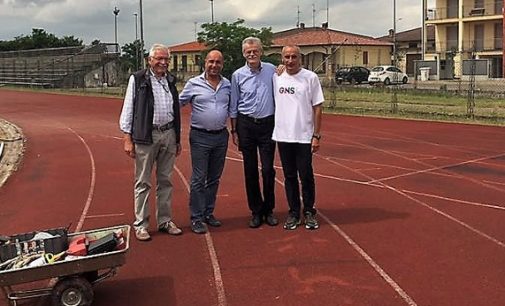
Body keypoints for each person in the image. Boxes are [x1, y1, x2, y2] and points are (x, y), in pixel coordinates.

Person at [119, 43, 183, 241]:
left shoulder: (170, 80)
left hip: (169, 133)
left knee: (166, 180)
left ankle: (164, 220)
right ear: (150, 60)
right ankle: (141, 224)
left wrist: (177, 138)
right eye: (159, 59)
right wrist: (127, 137)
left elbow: (175, 109)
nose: (163, 63)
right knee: (143, 181)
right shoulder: (138, 79)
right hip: (147, 136)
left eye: (166, 59)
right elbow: (129, 107)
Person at [179, 50, 232, 234]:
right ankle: (196, 217)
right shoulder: (193, 84)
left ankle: (209, 213)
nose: (214, 65)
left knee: (214, 178)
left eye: (218, 62)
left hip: (220, 136)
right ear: (205, 63)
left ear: (222, 64)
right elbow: (178, 103)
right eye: (211, 62)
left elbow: (232, 109)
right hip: (200, 137)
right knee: (198, 178)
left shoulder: (227, 85)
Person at [272, 45, 323, 230]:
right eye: (287, 57)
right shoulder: (276, 77)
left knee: (306, 176)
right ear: (282, 58)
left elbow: (317, 107)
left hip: (303, 136)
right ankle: (293, 212)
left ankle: (309, 211)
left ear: (300, 58)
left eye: (294, 57)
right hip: (283, 136)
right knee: (289, 176)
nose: (290, 60)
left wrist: (316, 135)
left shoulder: (310, 77)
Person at [230, 37, 278, 228]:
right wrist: (234, 130)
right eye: (248, 51)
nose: (252, 54)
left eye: (255, 51)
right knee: (250, 171)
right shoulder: (237, 75)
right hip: (246, 125)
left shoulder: (273, 70)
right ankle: (256, 211)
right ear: (244, 54)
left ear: (261, 51)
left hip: (267, 125)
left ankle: (269, 209)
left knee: (268, 170)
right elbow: (234, 104)